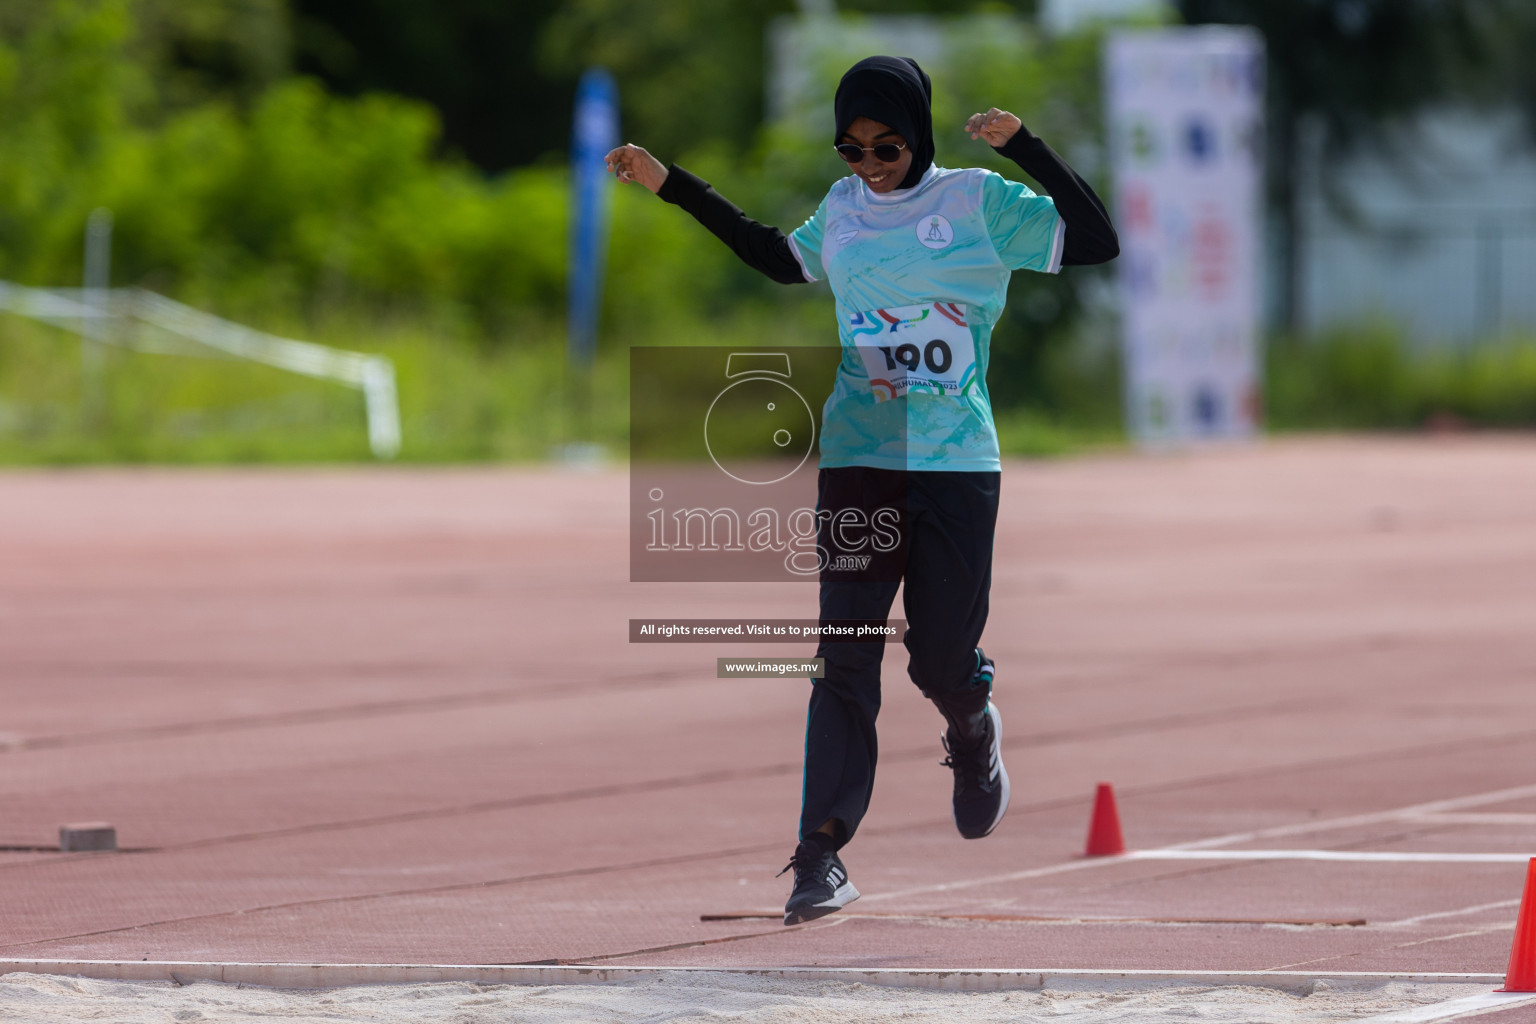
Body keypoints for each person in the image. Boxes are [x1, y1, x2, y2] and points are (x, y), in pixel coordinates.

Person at [607, 55, 1118, 926]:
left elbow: (1097, 239)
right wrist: (671, 185)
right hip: (860, 457)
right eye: (850, 149)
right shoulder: (843, 210)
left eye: (886, 146)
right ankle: (822, 852)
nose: (869, 164)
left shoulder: (979, 203)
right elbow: (777, 257)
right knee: (843, 656)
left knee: (939, 657)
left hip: (956, 466)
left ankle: (971, 720)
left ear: (916, 133)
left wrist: (1027, 146)